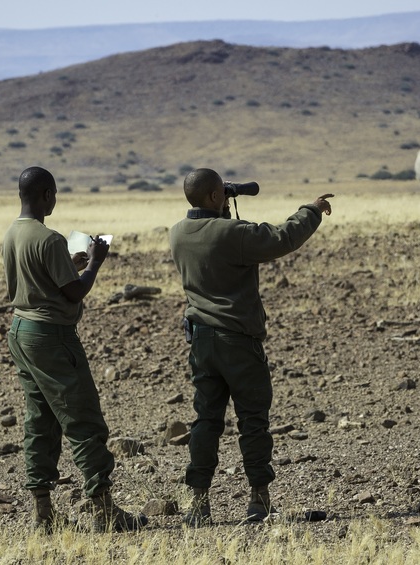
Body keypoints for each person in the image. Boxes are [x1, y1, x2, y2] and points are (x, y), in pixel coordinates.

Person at [168, 168, 333, 526]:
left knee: (206, 422)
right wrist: (312, 209)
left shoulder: (177, 233)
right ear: (214, 197)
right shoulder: (233, 233)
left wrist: (221, 206)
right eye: (222, 194)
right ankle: (258, 497)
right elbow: (282, 238)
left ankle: (198, 502)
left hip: (201, 342)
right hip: (238, 342)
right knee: (253, 422)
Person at [2, 166, 147, 533]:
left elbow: (43, 280)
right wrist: (95, 263)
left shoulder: (12, 233)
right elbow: (74, 293)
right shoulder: (49, 239)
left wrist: (70, 266)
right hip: (51, 336)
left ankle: (43, 512)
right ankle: (104, 511)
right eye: (54, 195)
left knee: (40, 420)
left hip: (21, 331)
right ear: (47, 195)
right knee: (82, 419)